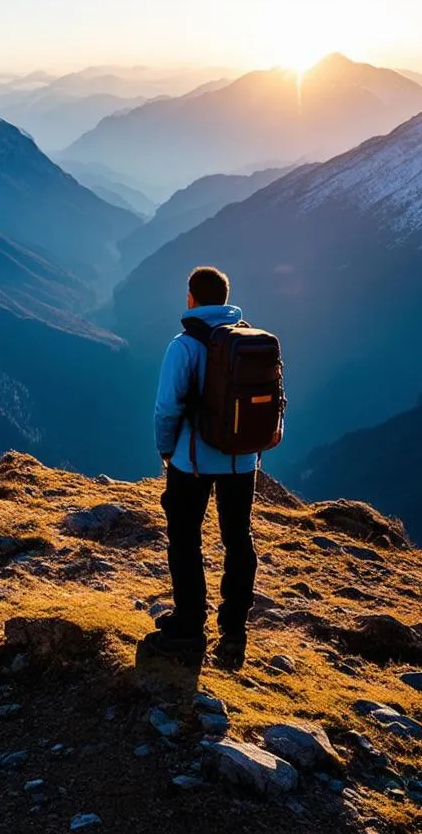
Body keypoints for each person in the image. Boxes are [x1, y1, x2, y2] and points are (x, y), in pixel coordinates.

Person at [147, 265, 261, 669]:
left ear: (191, 297)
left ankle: (189, 626)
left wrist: (166, 450)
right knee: (237, 538)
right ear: (226, 299)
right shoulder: (250, 339)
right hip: (242, 459)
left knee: (184, 537)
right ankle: (234, 631)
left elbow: (167, 407)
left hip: (192, 460)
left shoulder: (185, 344)